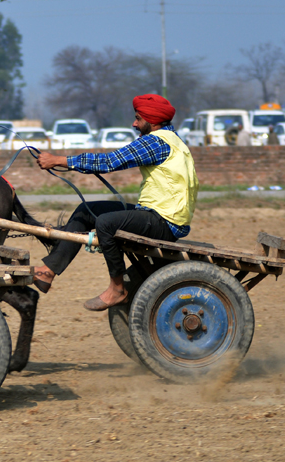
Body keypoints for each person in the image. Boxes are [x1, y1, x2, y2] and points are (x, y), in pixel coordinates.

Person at [32, 94, 199, 311]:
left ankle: (117, 289)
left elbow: (110, 161)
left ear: (153, 120)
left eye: (138, 119)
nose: (134, 123)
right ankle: (48, 271)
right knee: (87, 211)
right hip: (159, 214)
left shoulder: (155, 142)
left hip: (164, 221)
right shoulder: (172, 138)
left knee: (106, 222)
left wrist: (59, 160)